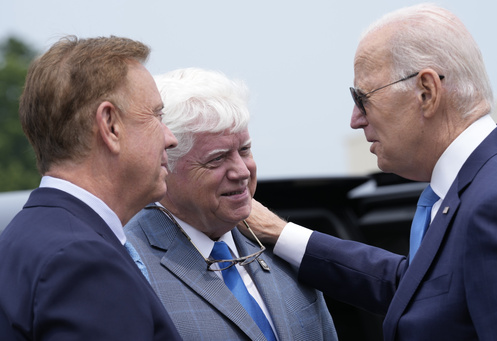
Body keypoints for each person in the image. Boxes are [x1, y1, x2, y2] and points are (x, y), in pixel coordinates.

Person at [242, 3, 497, 341]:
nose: (355, 120)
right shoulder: (475, 189)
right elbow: (413, 285)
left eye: (363, 98)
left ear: (426, 92)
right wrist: (278, 233)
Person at [124, 67, 337, 340]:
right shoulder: (127, 262)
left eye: (245, 150)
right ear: (165, 163)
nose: (242, 171)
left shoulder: (282, 250)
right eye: (217, 158)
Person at [0, 36, 183, 340]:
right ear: (110, 125)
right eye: (156, 115)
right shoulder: (83, 259)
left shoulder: (21, 236)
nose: (170, 137)